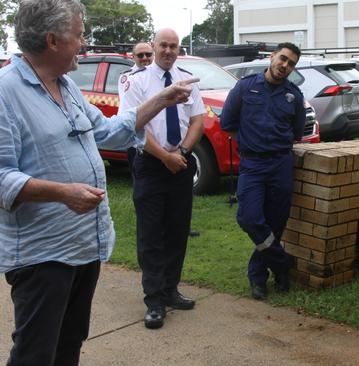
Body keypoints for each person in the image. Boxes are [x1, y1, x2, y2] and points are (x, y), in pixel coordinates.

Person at [0, 0, 196, 364]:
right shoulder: (5, 92)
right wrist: (62, 194)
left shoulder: (66, 86)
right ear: (52, 40)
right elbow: (1, 177)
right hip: (41, 255)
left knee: (70, 342)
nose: (84, 42)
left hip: (81, 246)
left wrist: (163, 99)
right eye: (79, 35)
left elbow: (109, 130)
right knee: (35, 354)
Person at [118, 28, 205, 329]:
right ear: (153, 47)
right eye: (163, 45)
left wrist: (181, 152)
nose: (168, 51)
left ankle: (170, 290)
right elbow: (135, 127)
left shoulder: (188, 80)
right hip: (151, 165)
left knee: (177, 231)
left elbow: (197, 120)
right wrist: (164, 157)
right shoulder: (137, 81)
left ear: (179, 49)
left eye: (173, 46)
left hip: (180, 163)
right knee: (151, 235)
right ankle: (154, 300)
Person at [220, 42, 305, 300]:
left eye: (291, 64)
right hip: (253, 165)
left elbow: (297, 132)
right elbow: (227, 123)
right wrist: (251, 144)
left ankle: (260, 277)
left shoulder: (294, 95)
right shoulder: (245, 87)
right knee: (249, 217)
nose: (285, 66)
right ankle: (282, 262)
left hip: (280, 164)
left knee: (275, 223)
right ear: (272, 57)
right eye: (283, 59)